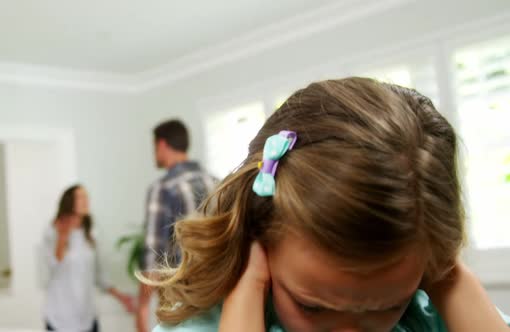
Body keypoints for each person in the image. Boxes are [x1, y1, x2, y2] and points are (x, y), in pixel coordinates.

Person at [144, 78, 510, 331]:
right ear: (260, 245)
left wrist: (448, 275)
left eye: (386, 307)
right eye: (312, 306)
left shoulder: (432, 317)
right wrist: (246, 292)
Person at [136, 120, 218, 332]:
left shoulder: (163, 188)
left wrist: (142, 309)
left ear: (162, 145)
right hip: (219, 294)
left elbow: (153, 254)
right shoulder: (217, 182)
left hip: (184, 301)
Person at [43, 184, 136, 332]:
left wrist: (122, 297)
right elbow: (54, 266)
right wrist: (63, 236)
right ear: (69, 201)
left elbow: (100, 276)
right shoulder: (52, 231)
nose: (86, 200)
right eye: (80, 197)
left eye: (86, 197)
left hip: (87, 317)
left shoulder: (91, 233)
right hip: (59, 318)